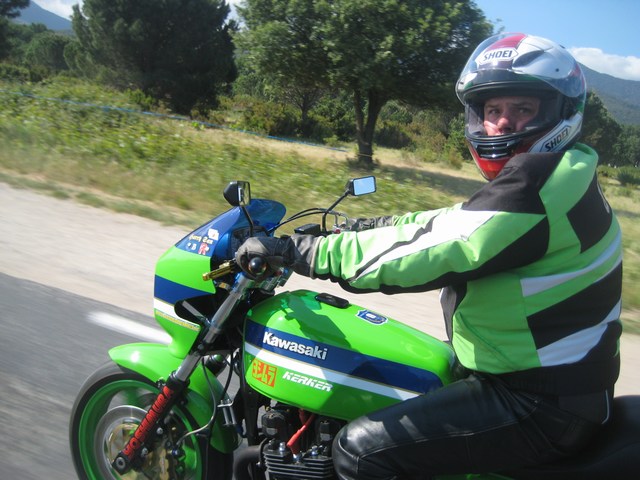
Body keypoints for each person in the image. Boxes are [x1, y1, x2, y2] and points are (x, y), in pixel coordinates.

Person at [236, 33, 623, 478]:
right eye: (492, 110)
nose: (502, 123)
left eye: (522, 109)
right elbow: (455, 222)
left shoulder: (537, 184)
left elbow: (434, 252)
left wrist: (301, 252)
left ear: (560, 112)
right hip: (550, 381)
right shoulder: (564, 173)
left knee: (359, 451)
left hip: (539, 402)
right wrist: (366, 227)